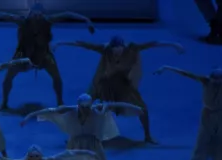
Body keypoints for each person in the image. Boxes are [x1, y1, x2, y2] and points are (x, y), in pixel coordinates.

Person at [52, 36, 184, 143]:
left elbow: (152, 43)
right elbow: (84, 44)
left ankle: (147, 136)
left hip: (122, 85)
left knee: (142, 108)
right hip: (103, 84)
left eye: (118, 50)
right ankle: (75, 136)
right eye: (114, 50)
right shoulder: (105, 50)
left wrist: (174, 44)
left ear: (123, 47)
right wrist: (61, 42)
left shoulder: (132, 48)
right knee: (84, 105)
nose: (116, 53)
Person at [0, 2, 96, 109]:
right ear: (30, 15)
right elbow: (1, 15)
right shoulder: (22, 21)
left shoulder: (47, 20)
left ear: (42, 15)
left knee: (56, 76)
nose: (37, 18)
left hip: (43, 54)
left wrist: (87, 20)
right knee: (8, 77)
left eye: (39, 15)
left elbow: (67, 14)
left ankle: (60, 102)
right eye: (34, 15)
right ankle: (4, 102)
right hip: (22, 53)